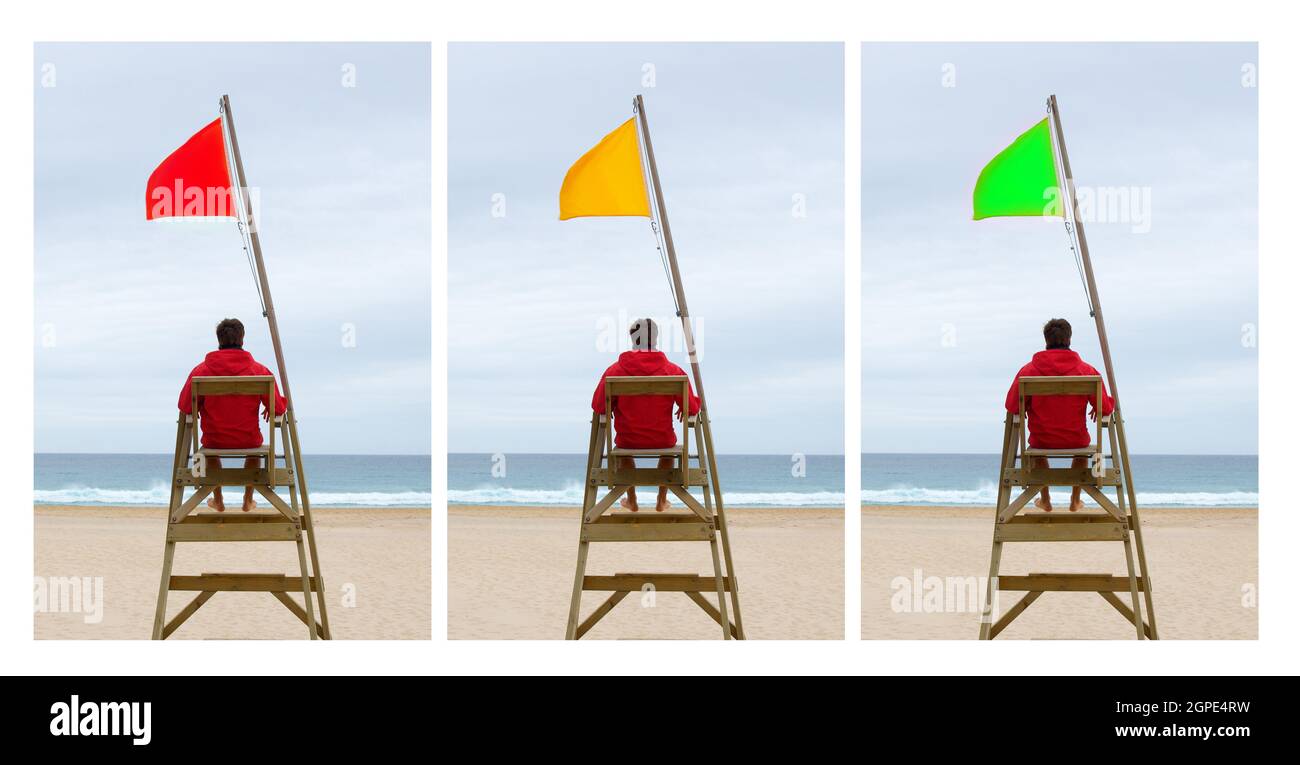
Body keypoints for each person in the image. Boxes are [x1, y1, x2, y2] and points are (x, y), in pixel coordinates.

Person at [591, 318, 700, 512]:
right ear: (656, 338)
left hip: (628, 440)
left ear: (633, 339)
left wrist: (613, 406)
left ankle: (631, 499)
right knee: (670, 442)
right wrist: (686, 407)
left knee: (624, 437)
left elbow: (598, 406)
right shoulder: (673, 371)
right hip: (662, 440)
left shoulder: (614, 371)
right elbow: (692, 409)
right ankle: (661, 499)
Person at [1004, 318, 1113, 512]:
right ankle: (1075, 499)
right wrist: (1099, 408)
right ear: (1069, 339)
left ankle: (1045, 499)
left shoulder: (1028, 371)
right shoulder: (1087, 371)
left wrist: (1028, 406)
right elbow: (1105, 409)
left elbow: (1011, 406)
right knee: (1083, 444)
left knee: (1039, 439)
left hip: (1041, 440)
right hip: (1076, 439)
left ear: (1046, 340)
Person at [178, 318, 286, 512]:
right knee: (256, 443)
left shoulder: (201, 371)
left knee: (210, 438)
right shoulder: (259, 371)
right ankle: (248, 499)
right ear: (242, 339)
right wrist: (271, 407)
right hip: (248, 439)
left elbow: (185, 406)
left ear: (219, 339)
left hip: (214, 440)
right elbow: (278, 409)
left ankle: (218, 499)